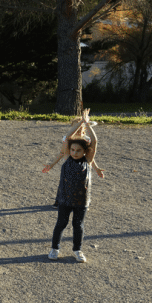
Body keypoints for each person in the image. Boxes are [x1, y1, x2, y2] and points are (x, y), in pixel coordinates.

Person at [44, 111, 99, 263]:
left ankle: (77, 250)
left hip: (82, 200)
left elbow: (94, 140)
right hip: (65, 198)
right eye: (73, 150)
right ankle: (55, 248)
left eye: (78, 150)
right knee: (61, 223)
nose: (75, 153)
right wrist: (80, 123)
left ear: (85, 151)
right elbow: (68, 138)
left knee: (78, 225)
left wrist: (87, 124)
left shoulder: (88, 159)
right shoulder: (67, 156)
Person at [43, 110, 106, 179]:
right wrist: (51, 164)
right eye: (75, 128)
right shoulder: (68, 140)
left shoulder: (86, 140)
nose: (77, 130)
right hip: (70, 163)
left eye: (80, 127)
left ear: (84, 129)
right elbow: (62, 153)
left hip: (82, 165)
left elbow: (89, 156)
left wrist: (96, 168)